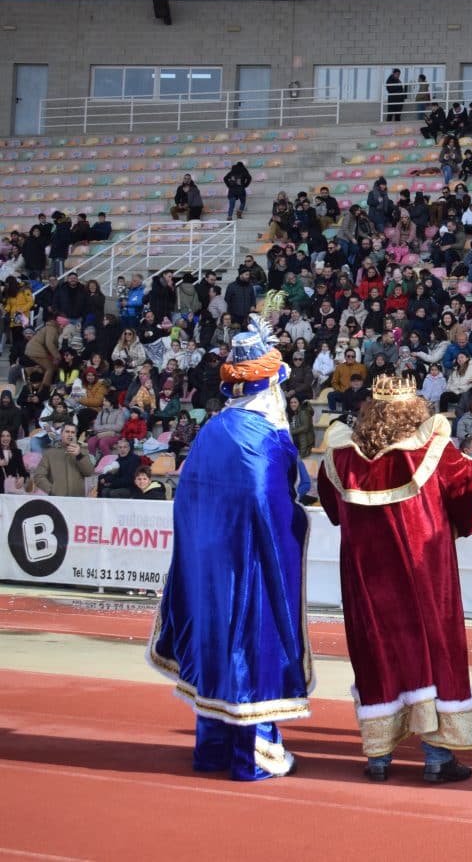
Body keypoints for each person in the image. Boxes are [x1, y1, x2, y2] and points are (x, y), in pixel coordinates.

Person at [148, 320, 311, 781]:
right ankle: (252, 755)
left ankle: (213, 748)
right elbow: (281, 501)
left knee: (218, 643)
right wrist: (297, 520)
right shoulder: (271, 439)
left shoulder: (211, 431)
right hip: (253, 563)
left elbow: (187, 502)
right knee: (252, 646)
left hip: (209, 567)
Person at [318, 375, 472, 785]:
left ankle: (378, 754)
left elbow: (330, 501)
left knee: (376, 649)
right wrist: (458, 521)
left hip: (366, 572)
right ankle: (435, 756)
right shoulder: (432, 450)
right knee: (431, 648)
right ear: (414, 409)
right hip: (421, 571)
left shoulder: (342, 456)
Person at [32, 421, 94, 497]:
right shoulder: (50, 452)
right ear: (61, 434)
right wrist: (51, 490)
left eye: (73, 432)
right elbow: (38, 476)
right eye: (67, 432)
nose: (70, 435)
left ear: (75, 435)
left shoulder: (82, 451)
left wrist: (79, 455)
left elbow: (89, 472)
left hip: (77, 499)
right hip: (57, 499)